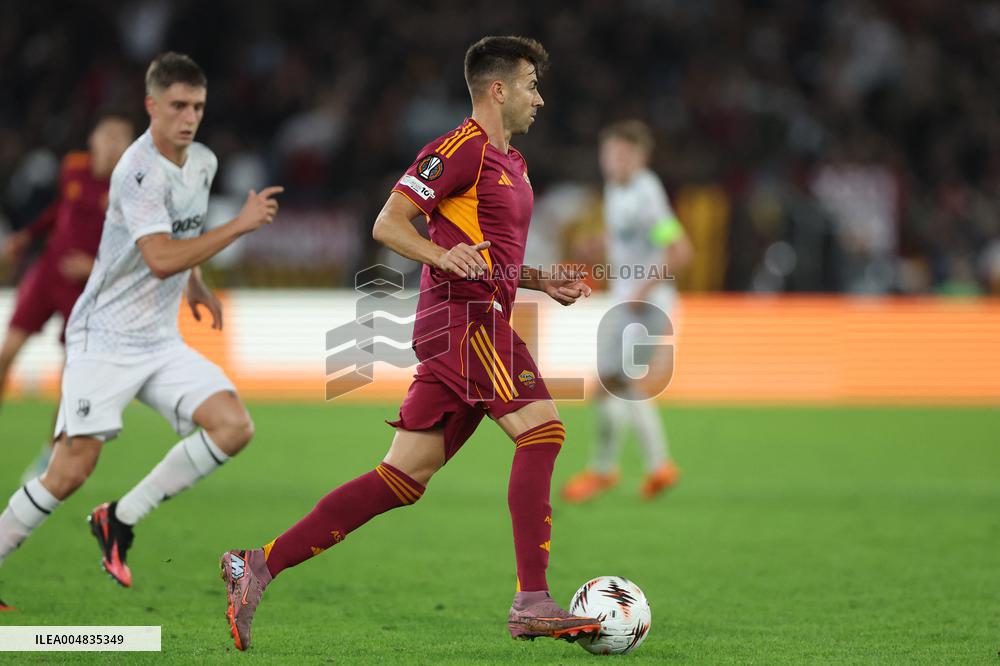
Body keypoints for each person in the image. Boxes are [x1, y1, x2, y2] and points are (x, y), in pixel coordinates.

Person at [219, 36, 600, 651]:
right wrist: (439, 253)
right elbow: (388, 223)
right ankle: (532, 600)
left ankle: (256, 565)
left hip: (477, 318)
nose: (541, 99)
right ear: (497, 89)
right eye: (531, 85)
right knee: (543, 431)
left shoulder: (515, 164)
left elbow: (489, 256)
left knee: (402, 478)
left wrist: (537, 279)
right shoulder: (458, 149)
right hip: (464, 322)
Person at [0, 52, 282, 611]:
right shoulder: (136, 170)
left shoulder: (201, 160)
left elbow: (183, 230)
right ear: (151, 106)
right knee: (70, 470)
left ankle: (119, 518)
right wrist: (239, 226)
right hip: (103, 337)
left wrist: (197, 281)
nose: (189, 117)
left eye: (197, 106)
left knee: (233, 426)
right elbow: (157, 258)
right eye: (177, 105)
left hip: (157, 341)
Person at [561, 120, 693, 504]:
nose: (613, 161)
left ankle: (636, 467)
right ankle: (635, 468)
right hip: (628, 301)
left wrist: (645, 287)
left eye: (622, 154)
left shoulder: (646, 194)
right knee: (610, 383)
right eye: (609, 154)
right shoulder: (617, 191)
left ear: (639, 157)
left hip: (646, 303)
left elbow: (679, 250)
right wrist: (599, 243)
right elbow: (632, 238)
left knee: (620, 382)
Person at [1, 112, 135, 482]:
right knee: (6, 352)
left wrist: (93, 266)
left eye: (119, 139)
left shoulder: (131, 190)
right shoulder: (73, 169)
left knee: (68, 377)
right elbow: (58, 209)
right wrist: (27, 236)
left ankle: (50, 452)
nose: (110, 146)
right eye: (105, 136)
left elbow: (138, 250)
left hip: (86, 291)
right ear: (92, 139)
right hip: (47, 274)